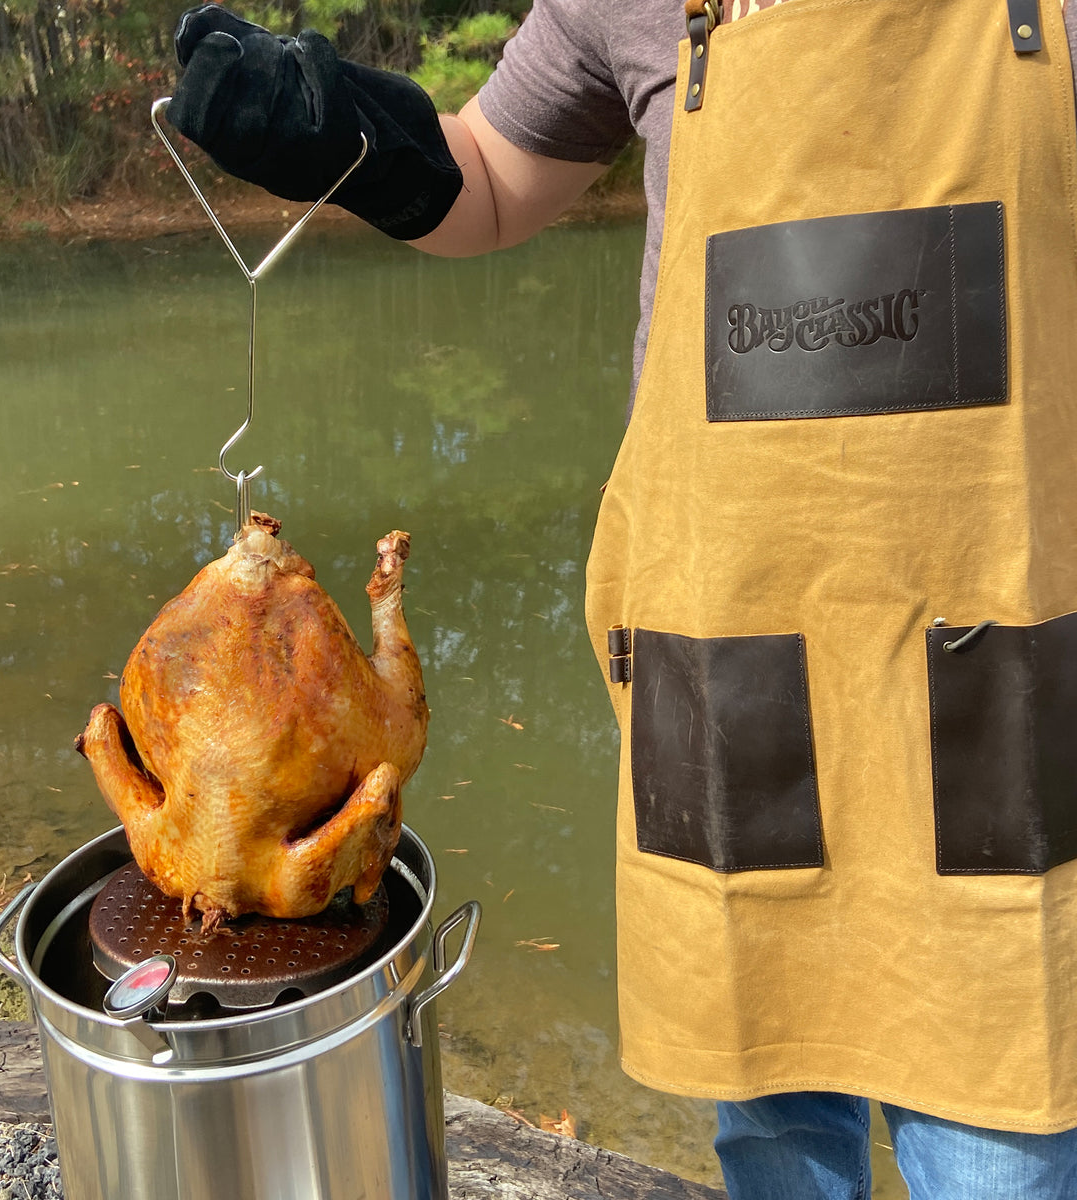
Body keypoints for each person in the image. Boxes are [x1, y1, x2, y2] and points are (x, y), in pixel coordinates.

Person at [166, 2, 1077, 1196]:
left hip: (998, 664)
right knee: (772, 1134)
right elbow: (490, 173)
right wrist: (336, 129)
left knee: (998, 1151)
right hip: (733, 659)